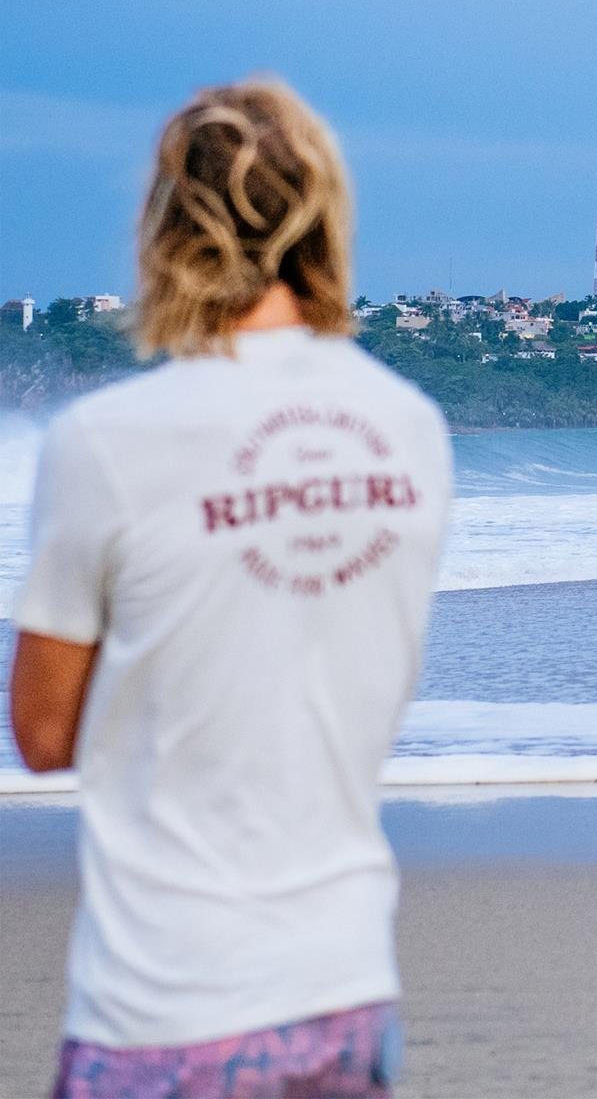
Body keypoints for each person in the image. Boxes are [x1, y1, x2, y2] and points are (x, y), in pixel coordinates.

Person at [10, 80, 453, 1098]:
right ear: (324, 221)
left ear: (172, 227)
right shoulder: (410, 428)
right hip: (343, 983)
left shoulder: (107, 442)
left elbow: (41, 734)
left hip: (166, 1000)